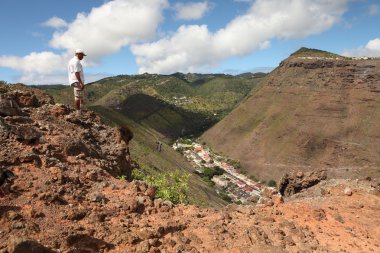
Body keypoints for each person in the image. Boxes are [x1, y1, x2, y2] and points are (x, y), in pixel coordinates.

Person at [68, 49, 87, 115]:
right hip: (77, 81)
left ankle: (81, 111)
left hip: (74, 81)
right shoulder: (76, 62)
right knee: (78, 97)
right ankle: (78, 113)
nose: (83, 57)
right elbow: (77, 73)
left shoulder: (72, 60)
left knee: (80, 96)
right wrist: (81, 83)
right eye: (82, 55)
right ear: (78, 54)